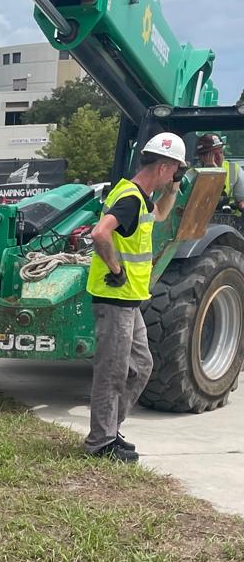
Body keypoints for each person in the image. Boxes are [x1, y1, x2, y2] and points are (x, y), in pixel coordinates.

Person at [83, 130, 186, 463]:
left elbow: (160, 215)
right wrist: (115, 269)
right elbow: (100, 233)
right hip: (116, 299)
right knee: (112, 372)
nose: (176, 174)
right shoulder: (130, 199)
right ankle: (101, 442)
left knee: (141, 366)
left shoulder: (140, 198)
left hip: (130, 301)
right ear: (163, 166)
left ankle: (110, 430)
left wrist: (173, 190)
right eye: (175, 169)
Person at [194, 133, 244, 208]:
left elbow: (242, 200)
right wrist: (210, 173)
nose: (219, 157)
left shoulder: (233, 169)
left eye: (221, 152)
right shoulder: (193, 174)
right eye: (214, 154)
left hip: (230, 214)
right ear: (202, 157)